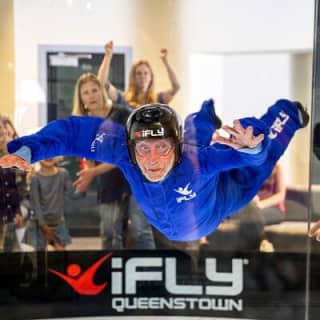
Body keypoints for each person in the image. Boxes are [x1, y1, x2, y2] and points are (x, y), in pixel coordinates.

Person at [0, 98, 309, 241]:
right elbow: (71, 133)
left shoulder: (196, 160)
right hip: (167, 221)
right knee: (197, 132)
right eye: (143, 149)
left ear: (175, 146)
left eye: (163, 147)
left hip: (212, 210)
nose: (152, 159)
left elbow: (252, 162)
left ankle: (286, 113)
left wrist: (253, 147)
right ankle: (205, 112)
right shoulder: (121, 147)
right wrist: (29, 149)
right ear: (130, 145)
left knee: (244, 163)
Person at [72, 73, 155, 249]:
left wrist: (93, 172)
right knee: (110, 233)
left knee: (141, 230)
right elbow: (90, 156)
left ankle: (151, 275)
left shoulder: (123, 114)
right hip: (109, 183)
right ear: (80, 98)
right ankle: (111, 274)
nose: (91, 95)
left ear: (102, 91)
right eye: (85, 92)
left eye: (94, 90)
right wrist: (87, 175)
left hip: (137, 178)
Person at [97, 41, 180, 109]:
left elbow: (176, 87)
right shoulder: (123, 99)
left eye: (146, 73)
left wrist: (165, 62)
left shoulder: (159, 100)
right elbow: (102, 83)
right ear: (133, 77)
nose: (142, 77)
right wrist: (108, 56)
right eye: (138, 73)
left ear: (151, 77)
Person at [24, 157, 78, 251]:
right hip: (39, 223)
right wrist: (44, 227)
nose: (49, 157)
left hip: (58, 221)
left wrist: (85, 182)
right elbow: (36, 205)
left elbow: (73, 194)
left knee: (61, 255)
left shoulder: (63, 174)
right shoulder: (35, 178)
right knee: (40, 256)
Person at [0, 115, 25, 251]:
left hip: (21, 204)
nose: (6, 137)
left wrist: (18, 210)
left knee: (12, 221)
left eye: (10, 134)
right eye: (4, 133)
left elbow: (22, 190)